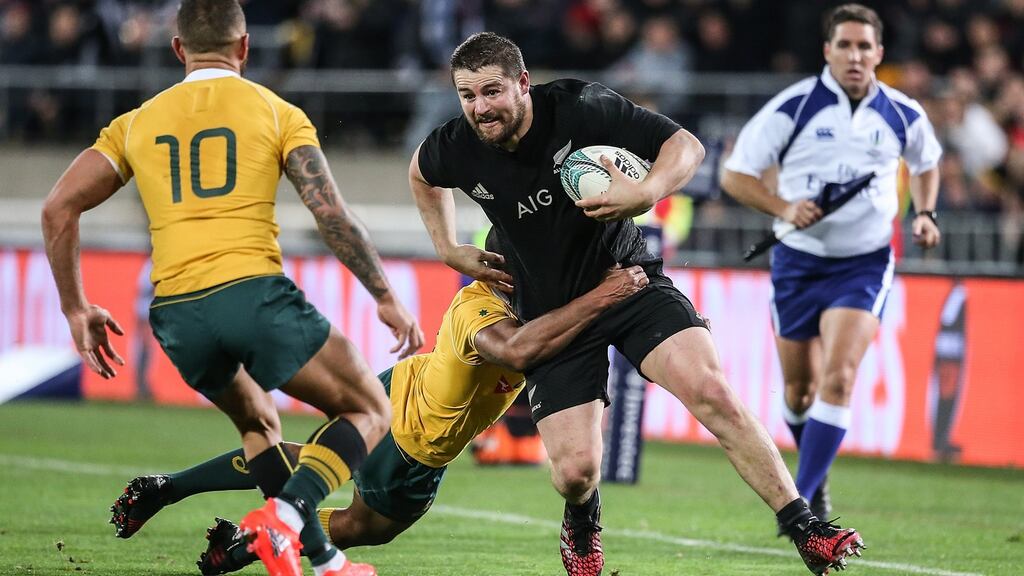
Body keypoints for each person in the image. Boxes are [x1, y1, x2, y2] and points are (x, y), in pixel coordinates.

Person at [410, 31, 865, 576]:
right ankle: (581, 520)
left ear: (523, 84)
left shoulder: (581, 107)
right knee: (574, 472)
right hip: (554, 317)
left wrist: (646, 191)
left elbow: (687, 147)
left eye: (491, 92)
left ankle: (806, 527)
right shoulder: (456, 145)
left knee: (713, 392)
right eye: (468, 96)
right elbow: (420, 173)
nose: (480, 108)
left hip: (630, 283)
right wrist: (447, 248)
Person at [40, 2, 423, 576]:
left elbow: (57, 208)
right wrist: (385, 296)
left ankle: (321, 562)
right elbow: (332, 214)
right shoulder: (275, 111)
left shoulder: (137, 121)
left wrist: (75, 308)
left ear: (177, 51)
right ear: (245, 47)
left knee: (258, 425)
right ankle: (287, 518)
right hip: (251, 295)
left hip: (175, 315)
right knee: (369, 407)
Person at [106, 238, 649, 575]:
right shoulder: (480, 311)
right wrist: (605, 297)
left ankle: (170, 486)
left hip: (397, 388)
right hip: (417, 447)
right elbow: (519, 350)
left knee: (310, 456)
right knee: (363, 526)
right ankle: (249, 542)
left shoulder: (515, 302)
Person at [720, 3, 941, 526]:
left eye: (865, 47)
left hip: (863, 264)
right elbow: (735, 175)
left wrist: (926, 213)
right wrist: (783, 208)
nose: (855, 56)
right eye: (845, 45)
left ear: (879, 53)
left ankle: (803, 503)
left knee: (838, 380)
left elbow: (927, 161)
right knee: (798, 391)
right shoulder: (794, 107)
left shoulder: (903, 112)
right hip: (798, 261)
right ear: (827, 51)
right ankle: (812, 485)